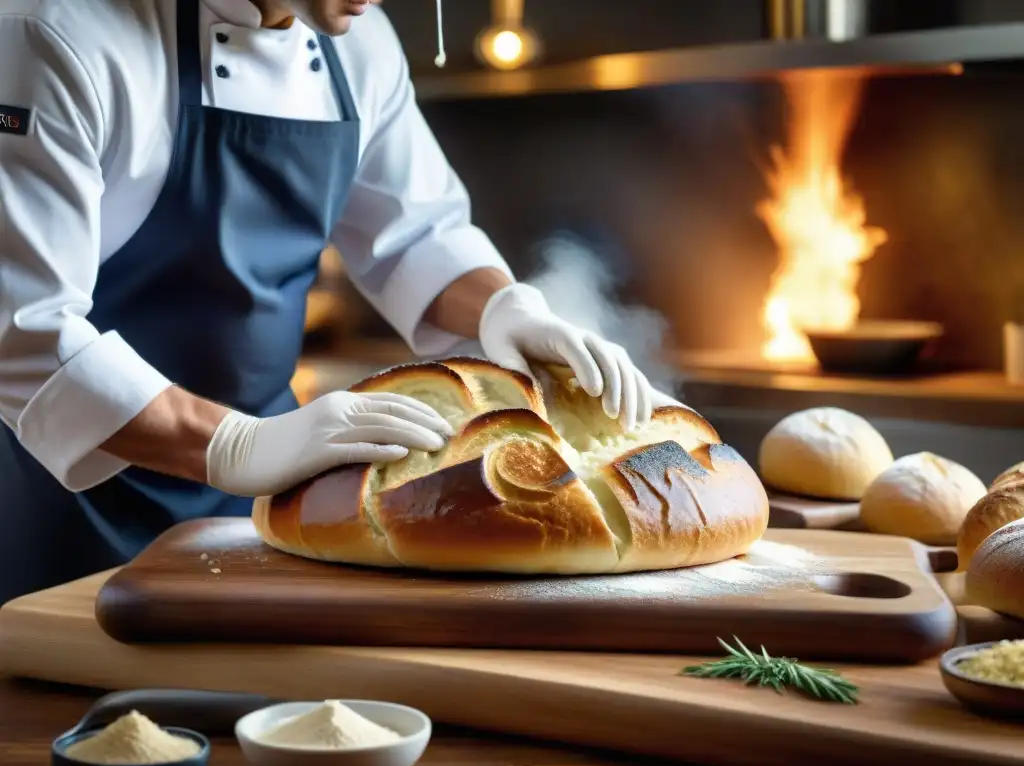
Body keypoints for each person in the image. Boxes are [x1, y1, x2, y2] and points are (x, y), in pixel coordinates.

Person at [0, 0, 657, 604]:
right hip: (61, 511)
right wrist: (234, 445)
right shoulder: (51, 34)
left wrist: (507, 311)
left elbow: (415, 234)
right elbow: (23, 331)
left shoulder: (358, 39)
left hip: (272, 493)